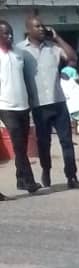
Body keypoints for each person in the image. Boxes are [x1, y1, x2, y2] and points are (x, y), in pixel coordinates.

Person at [18, 16, 79, 190]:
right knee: (43, 143)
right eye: (37, 26)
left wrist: (58, 38)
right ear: (28, 29)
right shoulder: (21, 51)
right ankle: (46, 169)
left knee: (67, 142)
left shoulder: (53, 48)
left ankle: (72, 176)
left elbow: (72, 57)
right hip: (39, 105)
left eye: (42, 26)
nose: (41, 29)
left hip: (59, 101)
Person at [0, 19, 36, 198]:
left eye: (10, 32)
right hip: (5, 106)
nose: (9, 36)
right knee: (19, 146)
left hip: (23, 105)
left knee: (21, 143)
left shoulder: (19, 53)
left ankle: (21, 179)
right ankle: (30, 182)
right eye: (5, 33)